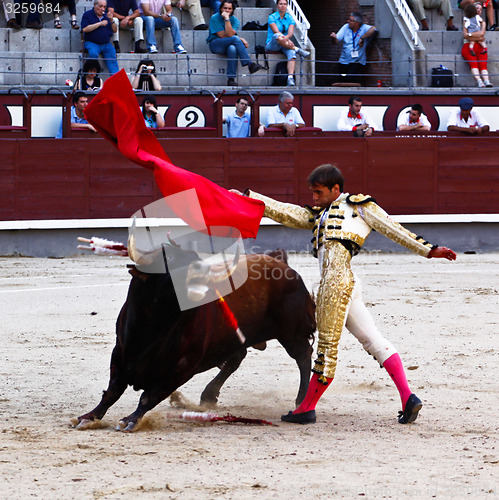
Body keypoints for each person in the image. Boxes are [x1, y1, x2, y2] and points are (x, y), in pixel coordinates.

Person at [234, 164, 457, 425]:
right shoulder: (320, 213)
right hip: (347, 284)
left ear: (335, 189)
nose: (313, 198)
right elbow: (288, 212)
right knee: (373, 340)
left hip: (334, 285)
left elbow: (392, 228)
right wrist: (250, 197)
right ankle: (408, 397)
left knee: (327, 349)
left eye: (318, 192)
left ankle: (306, 408)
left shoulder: (360, 206)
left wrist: (429, 250)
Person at [207, 0, 263, 86]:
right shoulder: (215, 17)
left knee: (232, 49)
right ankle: (249, 63)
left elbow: (229, 34)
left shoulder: (235, 21)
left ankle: (231, 79)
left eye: (229, 9)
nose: (227, 10)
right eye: (225, 8)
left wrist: (227, 19)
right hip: (215, 44)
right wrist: (240, 39)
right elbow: (221, 35)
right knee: (235, 39)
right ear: (221, 8)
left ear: (233, 10)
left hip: (228, 44)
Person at [265, 0, 310, 88]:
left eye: (285, 4)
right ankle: (297, 49)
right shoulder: (272, 17)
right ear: (277, 5)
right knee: (276, 36)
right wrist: (286, 39)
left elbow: (290, 33)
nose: (283, 6)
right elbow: (276, 31)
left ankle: (290, 78)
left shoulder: (290, 18)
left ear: (287, 6)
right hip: (273, 44)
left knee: (292, 53)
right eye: (281, 4)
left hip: (284, 44)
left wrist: (286, 38)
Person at [330, 12, 377, 85]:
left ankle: (353, 94)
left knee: (351, 79)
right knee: (342, 79)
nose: (348, 21)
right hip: (344, 61)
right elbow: (336, 40)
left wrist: (362, 38)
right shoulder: (346, 27)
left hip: (357, 61)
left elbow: (373, 29)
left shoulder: (363, 28)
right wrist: (334, 38)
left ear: (357, 23)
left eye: (350, 20)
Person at [81, 0, 119, 76]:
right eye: (100, 6)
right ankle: (93, 78)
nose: (102, 9)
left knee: (112, 55)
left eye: (104, 7)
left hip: (106, 44)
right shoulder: (87, 14)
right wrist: (99, 23)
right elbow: (84, 29)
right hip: (92, 42)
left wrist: (112, 20)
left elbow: (115, 30)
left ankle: (116, 80)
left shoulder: (107, 16)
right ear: (94, 5)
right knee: (93, 54)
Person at [461, 2, 492, 87]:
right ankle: (479, 82)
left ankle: (487, 82)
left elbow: (482, 35)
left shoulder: (482, 22)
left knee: (483, 65)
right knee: (474, 64)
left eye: (481, 9)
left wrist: (471, 35)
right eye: (477, 8)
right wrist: (477, 36)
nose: (479, 10)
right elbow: (466, 35)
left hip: (479, 47)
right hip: (468, 46)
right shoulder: (466, 20)